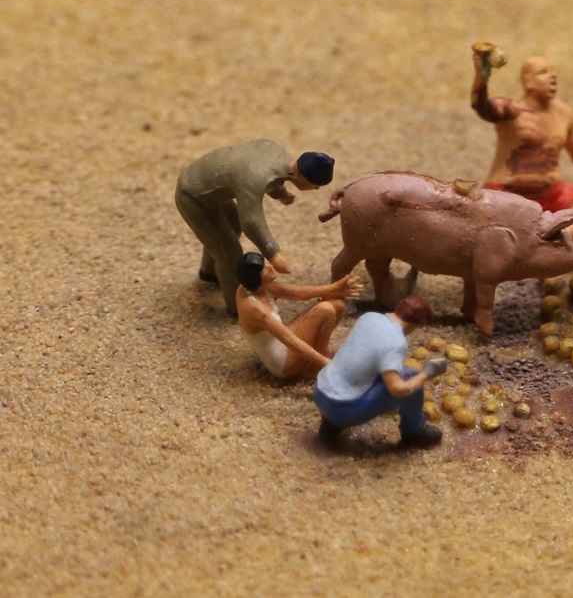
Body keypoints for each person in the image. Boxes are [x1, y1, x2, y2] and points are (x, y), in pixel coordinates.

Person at [469, 42, 573, 242]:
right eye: (543, 72)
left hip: (552, 193)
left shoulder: (563, 113)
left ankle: (559, 244)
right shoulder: (510, 110)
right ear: (527, 81)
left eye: (553, 72)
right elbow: (481, 106)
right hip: (508, 194)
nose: (552, 76)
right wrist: (482, 77)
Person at [176, 138, 335, 315]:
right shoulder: (254, 178)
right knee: (230, 252)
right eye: (315, 185)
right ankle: (237, 308)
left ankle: (209, 272)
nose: (316, 189)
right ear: (300, 176)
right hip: (193, 196)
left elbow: (271, 179)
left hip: (210, 188)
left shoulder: (277, 153)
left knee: (231, 225)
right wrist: (273, 252)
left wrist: (280, 193)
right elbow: (251, 221)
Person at [313, 295, 449, 448]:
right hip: (346, 408)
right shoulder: (395, 341)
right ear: (416, 323)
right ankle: (414, 430)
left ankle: (330, 427)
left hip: (320, 392)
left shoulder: (368, 317)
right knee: (411, 375)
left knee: (375, 373)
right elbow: (397, 389)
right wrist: (426, 374)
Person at [234, 252, 363, 381]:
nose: (270, 266)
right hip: (283, 361)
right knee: (326, 310)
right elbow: (289, 340)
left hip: (282, 342)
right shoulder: (256, 309)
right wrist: (324, 361)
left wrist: (335, 288)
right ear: (255, 277)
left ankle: (317, 356)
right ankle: (317, 366)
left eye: (266, 262)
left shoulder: (254, 287)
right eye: (264, 268)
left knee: (338, 305)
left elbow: (294, 292)